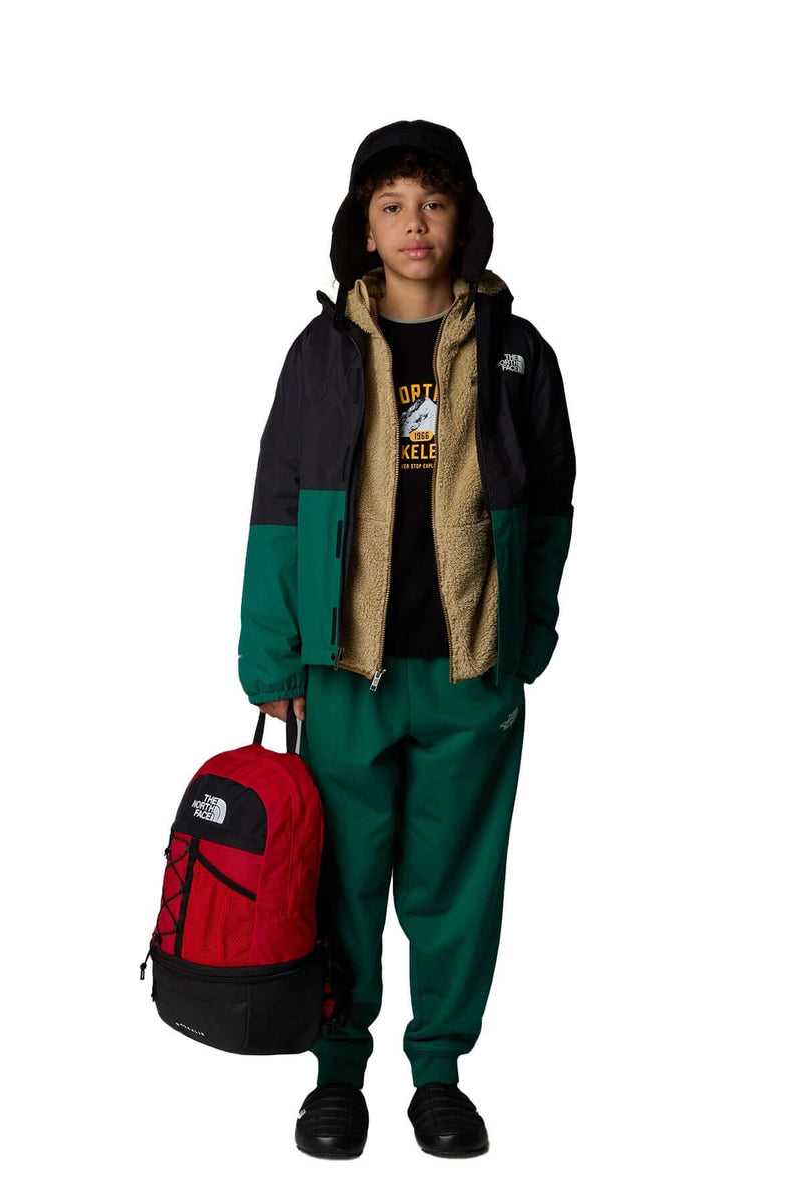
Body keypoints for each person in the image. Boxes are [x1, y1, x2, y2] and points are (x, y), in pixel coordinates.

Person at [237, 119, 575, 1158]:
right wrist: (272, 658)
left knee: (455, 883)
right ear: (364, 227)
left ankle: (439, 1074)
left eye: (433, 203)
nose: (414, 223)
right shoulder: (322, 353)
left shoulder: (517, 352)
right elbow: (278, 508)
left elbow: (552, 504)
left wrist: (529, 633)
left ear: (463, 218)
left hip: (471, 667)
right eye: (392, 206)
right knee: (339, 878)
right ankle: (338, 1071)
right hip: (345, 671)